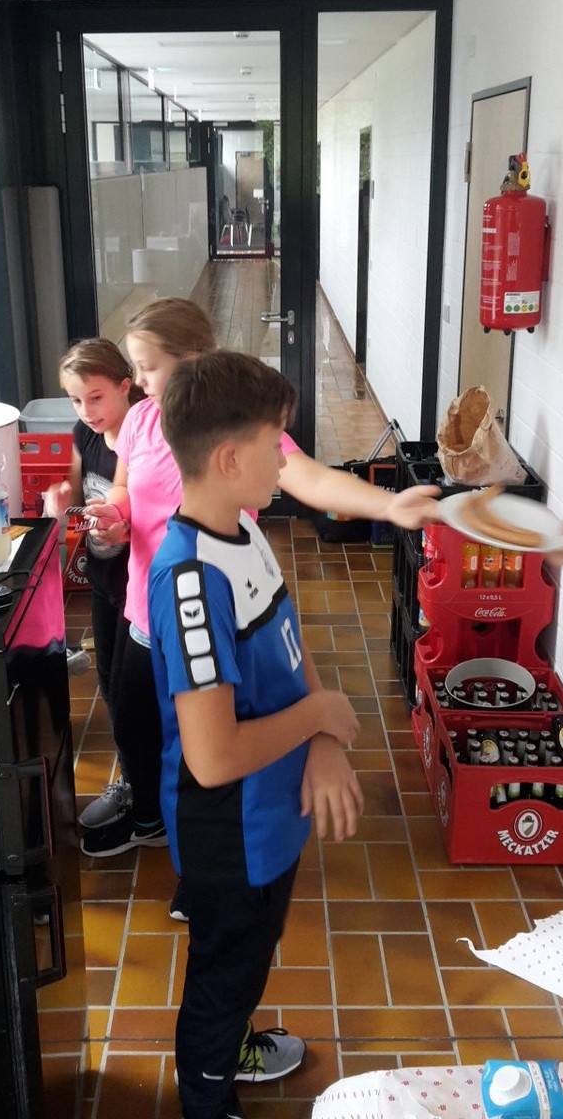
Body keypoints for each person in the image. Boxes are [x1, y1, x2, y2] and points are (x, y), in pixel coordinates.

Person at [80, 298, 441, 861]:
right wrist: (114, 514)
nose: (140, 382)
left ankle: (199, 841)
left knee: (210, 740)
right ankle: (149, 813)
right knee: (137, 726)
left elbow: (311, 479)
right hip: (146, 614)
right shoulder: (142, 421)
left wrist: (389, 505)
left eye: (148, 367)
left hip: (211, 613)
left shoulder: (238, 433)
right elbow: (126, 490)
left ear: (193, 362)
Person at [150, 349, 365, 1119]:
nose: (285, 459)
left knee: (246, 958)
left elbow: (290, 647)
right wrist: (319, 717)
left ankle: (232, 1040)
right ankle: (208, 1098)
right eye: (277, 444)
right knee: (224, 976)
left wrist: (323, 740)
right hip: (229, 834)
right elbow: (211, 759)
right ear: (230, 458)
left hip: (270, 816)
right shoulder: (190, 580)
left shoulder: (245, 531)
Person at [43, 338, 142, 827]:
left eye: (96, 397)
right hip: (104, 580)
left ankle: (140, 786)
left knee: (131, 691)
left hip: (140, 589)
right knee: (109, 683)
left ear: (126, 386)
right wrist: (63, 504)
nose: (86, 411)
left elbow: (157, 510)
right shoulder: (85, 434)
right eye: (76, 400)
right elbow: (78, 496)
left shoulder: (144, 434)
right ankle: (132, 777)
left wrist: (125, 527)